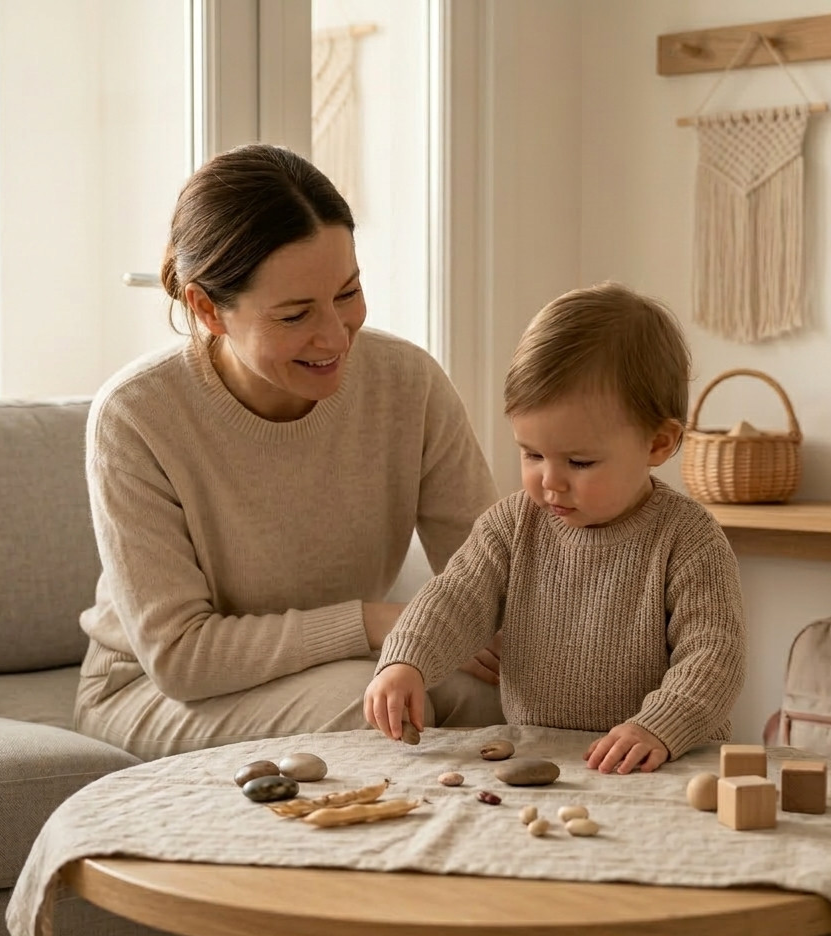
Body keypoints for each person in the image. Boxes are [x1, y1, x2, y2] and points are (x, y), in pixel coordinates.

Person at [74, 143, 504, 761]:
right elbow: (180, 657)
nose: (334, 336)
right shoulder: (137, 415)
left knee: (504, 696)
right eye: (295, 314)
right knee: (369, 711)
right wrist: (379, 622)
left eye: (348, 293)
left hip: (341, 665)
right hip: (151, 690)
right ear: (206, 308)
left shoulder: (408, 382)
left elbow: (488, 571)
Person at [364, 281, 747, 775]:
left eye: (580, 462)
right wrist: (405, 661)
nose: (549, 482)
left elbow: (714, 655)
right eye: (532, 454)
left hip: (663, 760)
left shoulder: (688, 540)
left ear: (657, 444)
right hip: (543, 754)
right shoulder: (511, 525)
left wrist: (659, 726)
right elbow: (454, 599)